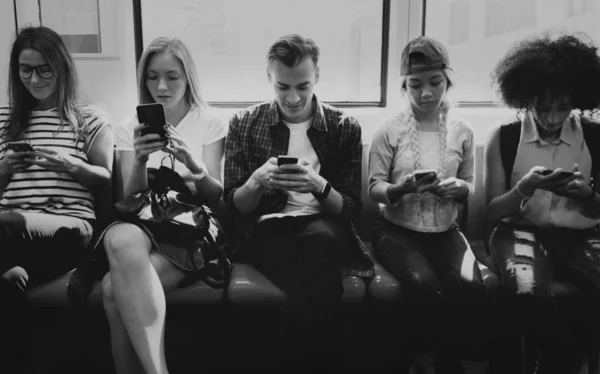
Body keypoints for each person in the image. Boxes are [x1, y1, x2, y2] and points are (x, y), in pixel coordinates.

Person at [224, 33, 373, 372]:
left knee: (318, 240)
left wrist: (318, 186)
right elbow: (234, 208)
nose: (293, 98)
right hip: (267, 227)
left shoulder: (343, 126)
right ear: (269, 78)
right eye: (282, 87)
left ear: (317, 77)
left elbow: (349, 209)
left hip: (323, 225)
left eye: (303, 87)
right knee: (320, 277)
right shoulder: (244, 124)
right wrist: (257, 181)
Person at [100, 37, 226, 374]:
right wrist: (140, 161)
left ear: (188, 78)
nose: (162, 86)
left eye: (172, 76)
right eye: (153, 77)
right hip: (146, 223)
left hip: (191, 227)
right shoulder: (130, 127)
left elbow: (215, 194)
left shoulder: (210, 121)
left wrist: (189, 160)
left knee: (113, 290)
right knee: (120, 237)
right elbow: (129, 199)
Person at [368, 36, 488, 374]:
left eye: (435, 83)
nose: (426, 93)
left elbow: (470, 184)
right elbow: (374, 188)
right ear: (404, 87)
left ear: (447, 81)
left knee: (472, 286)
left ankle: (474, 364)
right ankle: (423, 364)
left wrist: (457, 188)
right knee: (423, 285)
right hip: (395, 230)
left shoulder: (463, 131)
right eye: (415, 84)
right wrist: (402, 188)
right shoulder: (388, 131)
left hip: (446, 229)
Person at [0, 26, 114, 373]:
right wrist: (4, 168)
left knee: (7, 223)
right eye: (25, 69)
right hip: (11, 235)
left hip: (69, 229)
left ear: (61, 67)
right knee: (10, 280)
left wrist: (70, 165)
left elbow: (106, 179)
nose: (34, 79)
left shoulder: (90, 118)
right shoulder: (5, 119)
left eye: (43, 69)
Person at [485, 32, 600, 374]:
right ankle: (565, 360)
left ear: (577, 100)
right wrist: (525, 187)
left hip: (579, 234)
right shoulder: (504, 137)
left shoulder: (594, 136)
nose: (552, 118)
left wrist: (587, 195)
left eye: (563, 107)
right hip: (520, 232)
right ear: (525, 98)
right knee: (524, 291)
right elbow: (491, 212)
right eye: (543, 107)